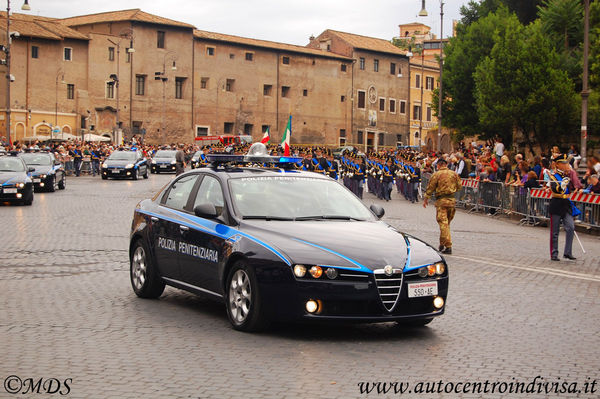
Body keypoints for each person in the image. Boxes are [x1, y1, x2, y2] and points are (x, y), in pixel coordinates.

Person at [423, 158, 462, 254]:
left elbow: (430, 187)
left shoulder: (436, 175)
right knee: (446, 224)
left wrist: (426, 199)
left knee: (443, 224)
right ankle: (442, 243)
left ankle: (448, 246)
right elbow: (459, 186)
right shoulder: (454, 174)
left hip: (441, 202)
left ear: (438, 165)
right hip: (451, 201)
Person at [547, 154, 579, 261]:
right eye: (563, 163)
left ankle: (568, 252)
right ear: (557, 164)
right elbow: (556, 189)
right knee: (555, 231)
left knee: (570, 227)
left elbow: (574, 186)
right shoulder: (553, 176)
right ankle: (554, 253)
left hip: (566, 203)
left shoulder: (568, 176)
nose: (566, 165)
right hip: (556, 203)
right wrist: (563, 185)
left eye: (566, 163)